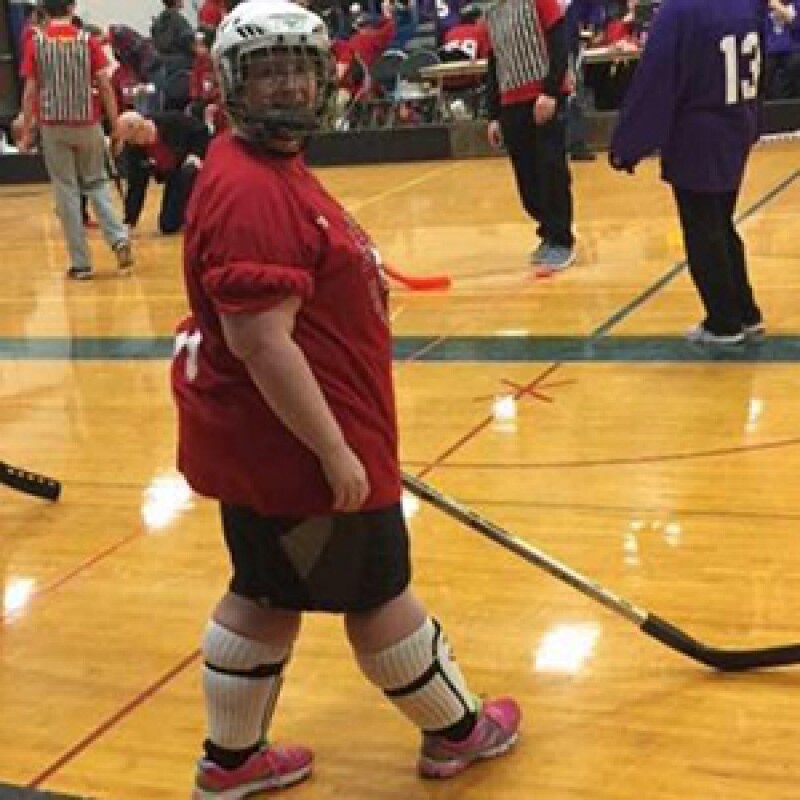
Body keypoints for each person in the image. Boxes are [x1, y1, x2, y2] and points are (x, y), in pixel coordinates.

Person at [170, 2, 521, 797]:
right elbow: (263, 342)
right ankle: (459, 732)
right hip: (303, 453)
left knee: (264, 591)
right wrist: (335, 451)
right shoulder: (250, 190)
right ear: (231, 83)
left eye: (301, 67)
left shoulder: (260, 164)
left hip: (266, 448)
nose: (290, 85)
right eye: (268, 70)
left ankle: (230, 764)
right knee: (379, 597)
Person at [609, 0, 766, 345]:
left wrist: (629, 143)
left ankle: (723, 322)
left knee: (702, 230)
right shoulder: (746, 6)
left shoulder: (680, 11)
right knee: (721, 223)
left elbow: (656, 77)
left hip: (698, 131)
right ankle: (745, 311)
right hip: (737, 123)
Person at [18, 0, 132, 280]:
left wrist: (26, 129)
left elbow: (31, 90)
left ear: (44, 10)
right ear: (72, 7)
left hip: (53, 125)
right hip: (87, 122)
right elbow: (104, 84)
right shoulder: (88, 41)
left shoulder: (37, 42)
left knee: (66, 190)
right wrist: (115, 122)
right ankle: (118, 238)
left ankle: (81, 264)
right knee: (97, 182)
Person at [485, 0, 576, 270]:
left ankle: (562, 240)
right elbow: (493, 64)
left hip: (541, 98)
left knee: (551, 169)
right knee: (527, 177)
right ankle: (547, 231)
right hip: (511, 102)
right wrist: (493, 115)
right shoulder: (491, 12)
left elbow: (560, 44)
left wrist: (551, 91)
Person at [116, 110, 210, 235]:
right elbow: (136, 185)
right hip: (174, 176)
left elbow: (201, 130)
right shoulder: (134, 149)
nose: (129, 143)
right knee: (168, 226)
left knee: (189, 172)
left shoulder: (172, 120)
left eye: (131, 139)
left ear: (140, 128)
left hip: (193, 167)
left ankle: (202, 216)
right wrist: (129, 221)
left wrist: (196, 154)